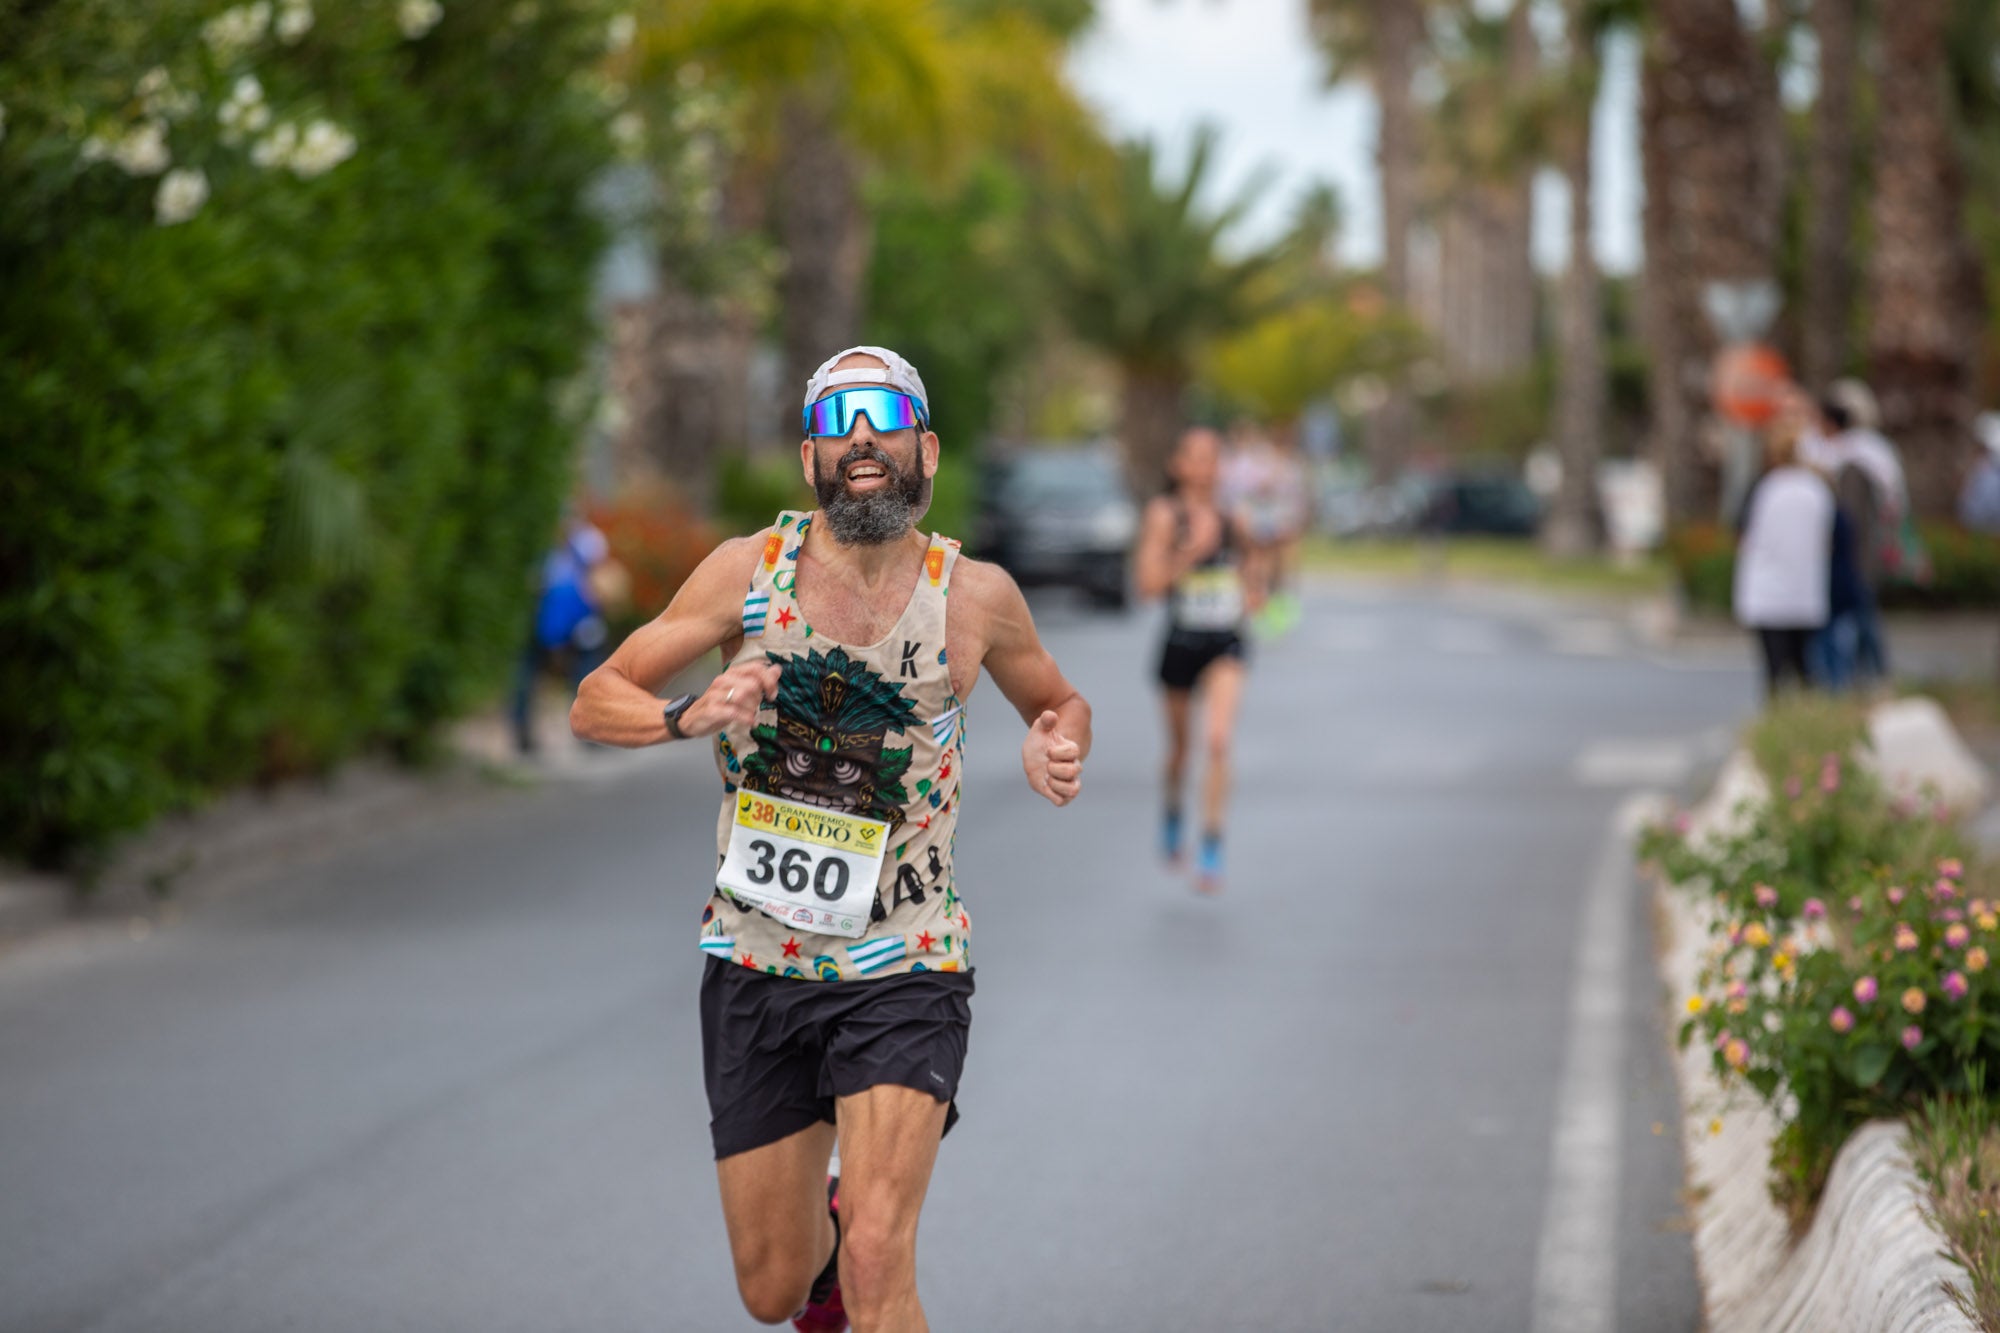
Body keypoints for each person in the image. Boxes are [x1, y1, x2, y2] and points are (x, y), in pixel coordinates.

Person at [571, 346, 1091, 1333]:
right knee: (772, 1288)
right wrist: (687, 714)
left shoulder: (972, 595)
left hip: (907, 959)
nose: (862, 436)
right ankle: (823, 1260)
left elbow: (1058, 700)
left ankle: (853, 1246)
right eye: (838, 418)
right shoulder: (743, 573)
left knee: (878, 1255)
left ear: (925, 449)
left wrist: (1054, 741)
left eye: (885, 416)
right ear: (808, 455)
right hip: (755, 958)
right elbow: (598, 697)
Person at [1135, 426, 1257, 893]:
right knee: (1181, 752)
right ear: (1178, 465)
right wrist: (1191, 552)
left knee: (1220, 741)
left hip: (1225, 643)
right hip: (1181, 644)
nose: (1206, 467)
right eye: (1197, 457)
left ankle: (1210, 844)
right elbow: (1147, 585)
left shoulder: (1232, 517)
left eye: (1214, 457)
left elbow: (1251, 570)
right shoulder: (1166, 515)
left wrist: (1253, 590)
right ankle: (1172, 809)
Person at [1734, 403, 1834, 699]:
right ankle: (1805, 729)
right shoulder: (1817, 492)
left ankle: (1779, 731)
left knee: (1775, 674)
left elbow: (1747, 536)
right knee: (1805, 671)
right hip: (1805, 594)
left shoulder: (1766, 489)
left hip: (1768, 594)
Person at [511, 516, 622, 755]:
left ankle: (523, 735)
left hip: (553, 625)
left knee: (531, 678)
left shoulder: (550, 553)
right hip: (568, 627)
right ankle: (589, 734)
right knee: (586, 677)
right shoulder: (583, 549)